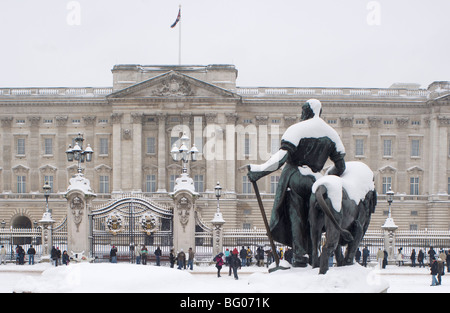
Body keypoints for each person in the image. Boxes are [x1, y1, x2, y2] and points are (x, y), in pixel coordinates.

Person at [247, 99, 346, 267]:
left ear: (307, 112)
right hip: (315, 180)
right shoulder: (331, 134)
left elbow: (281, 158)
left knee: (296, 215)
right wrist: (325, 177)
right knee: (312, 220)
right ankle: (314, 255)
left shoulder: (297, 130)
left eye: (302, 112)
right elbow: (341, 167)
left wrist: (259, 171)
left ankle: (300, 256)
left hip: (296, 177)